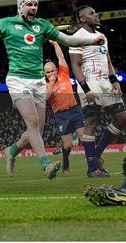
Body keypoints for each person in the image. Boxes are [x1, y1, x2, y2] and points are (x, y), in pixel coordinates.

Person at [0, 0, 106, 180]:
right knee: (32, 122)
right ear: (20, 6)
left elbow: (68, 40)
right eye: (29, 4)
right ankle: (46, 164)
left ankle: (12, 150)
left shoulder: (42, 25)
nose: (33, 8)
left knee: (36, 131)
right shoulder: (6, 24)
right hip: (17, 81)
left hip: (38, 81)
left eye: (36, 5)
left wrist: (92, 40)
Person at [68, 5, 126, 177]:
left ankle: (95, 155)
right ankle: (93, 168)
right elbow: (75, 65)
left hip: (105, 81)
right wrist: (86, 89)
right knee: (91, 121)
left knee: (122, 117)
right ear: (83, 19)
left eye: (95, 12)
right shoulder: (77, 38)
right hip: (90, 82)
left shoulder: (102, 36)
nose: (96, 15)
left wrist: (114, 80)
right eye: (92, 13)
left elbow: (107, 61)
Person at [44, 41, 85, 175]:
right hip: (61, 116)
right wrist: (51, 81)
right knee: (68, 146)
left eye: (52, 70)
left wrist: (55, 44)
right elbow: (46, 97)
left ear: (57, 69)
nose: (51, 73)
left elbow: (61, 58)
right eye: (48, 72)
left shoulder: (63, 74)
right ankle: (65, 159)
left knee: (84, 138)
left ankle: (93, 162)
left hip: (74, 110)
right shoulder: (45, 85)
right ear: (45, 74)